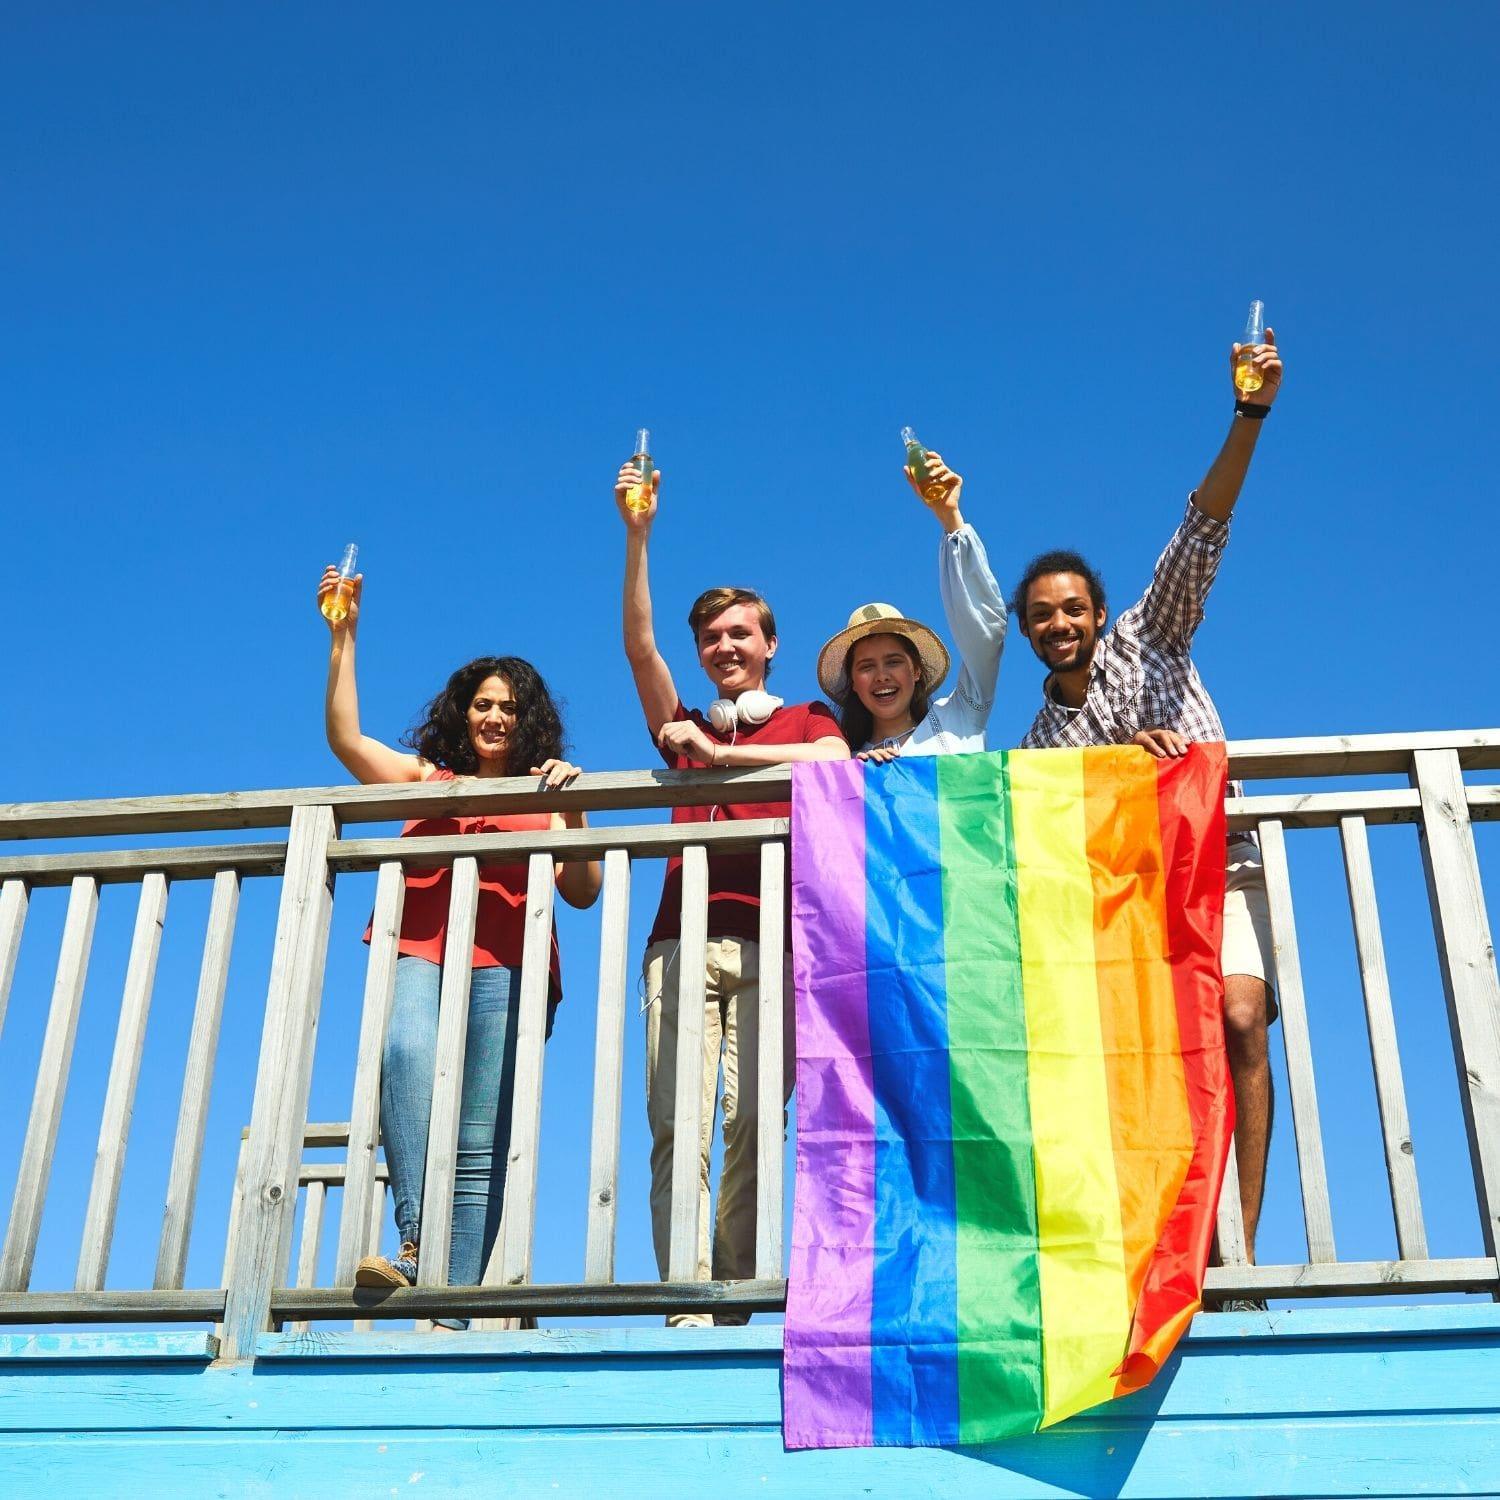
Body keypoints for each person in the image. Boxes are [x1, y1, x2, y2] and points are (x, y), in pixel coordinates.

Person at [1012, 328, 1284, 1281]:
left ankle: (1238, 1249)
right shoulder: (1038, 746)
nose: (1059, 624)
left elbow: (1203, 526)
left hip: (1224, 862)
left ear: (1099, 610)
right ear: (1029, 630)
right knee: (1159, 1072)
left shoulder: (1150, 637)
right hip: (1128, 918)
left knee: (1242, 1020)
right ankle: (1170, 1247)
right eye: (1041, 614)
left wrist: (1248, 415)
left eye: (1072, 608)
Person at [316, 564, 601, 1327]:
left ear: (528, 719)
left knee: (478, 1143)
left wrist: (569, 808)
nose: (496, 718)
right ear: (463, 714)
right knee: (402, 1055)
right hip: (421, 946)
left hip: (508, 964)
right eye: (483, 704)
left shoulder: (547, 789)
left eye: (509, 707)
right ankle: (415, 1243)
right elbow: (345, 738)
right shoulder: (425, 777)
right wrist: (344, 637)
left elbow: (584, 889)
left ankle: (452, 1309)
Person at [615, 458, 848, 1326]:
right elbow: (640, 645)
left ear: (770, 643)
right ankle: (685, 1290)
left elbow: (833, 764)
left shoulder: (803, 720)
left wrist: (726, 757)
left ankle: (734, 1295)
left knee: (753, 1119)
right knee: (680, 1121)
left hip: (774, 944)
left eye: (740, 635)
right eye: (712, 638)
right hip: (682, 940)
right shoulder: (683, 721)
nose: (725, 648)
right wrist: (639, 536)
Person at [816, 448, 1006, 761]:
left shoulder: (959, 719)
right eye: (866, 666)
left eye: (893, 661)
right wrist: (855, 777)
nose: (881, 676)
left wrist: (951, 520)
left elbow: (985, 633)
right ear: (852, 683)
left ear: (916, 670)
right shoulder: (842, 761)